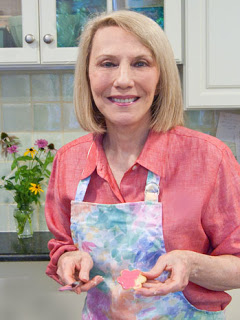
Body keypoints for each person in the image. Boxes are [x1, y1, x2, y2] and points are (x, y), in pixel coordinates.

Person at [45, 10, 240, 319]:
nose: (123, 80)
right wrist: (68, 260)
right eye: (107, 63)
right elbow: (62, 248)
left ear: (161, 76)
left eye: (140, 63)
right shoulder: (69, 161)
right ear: (87, 74)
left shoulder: (209, 158)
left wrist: (192, 264)